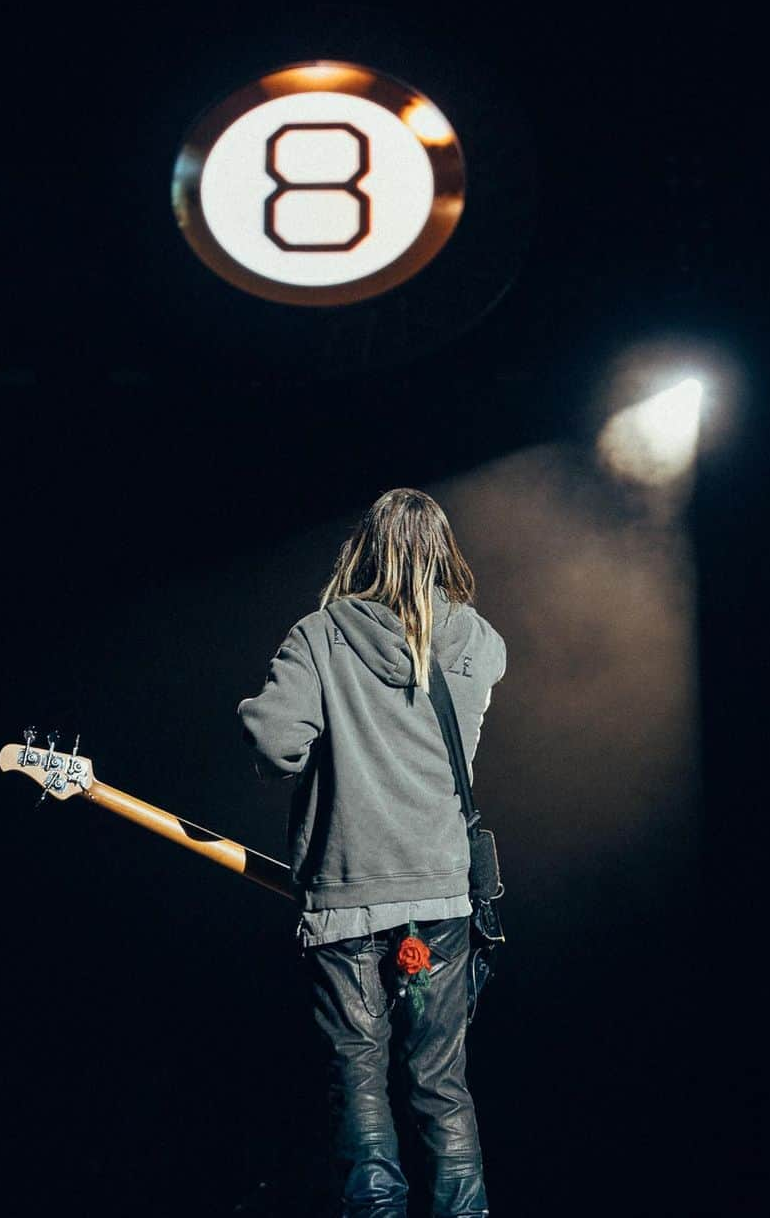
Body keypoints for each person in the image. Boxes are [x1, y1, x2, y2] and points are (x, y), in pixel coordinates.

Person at [237, 488, 507, 1218]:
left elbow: (274, 746)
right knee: (440, 1082)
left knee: (360, 1081)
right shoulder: (477, 641)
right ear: (442, 551)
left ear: (364, 550)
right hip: (442, 910)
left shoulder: (321, 637)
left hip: (349, 911)